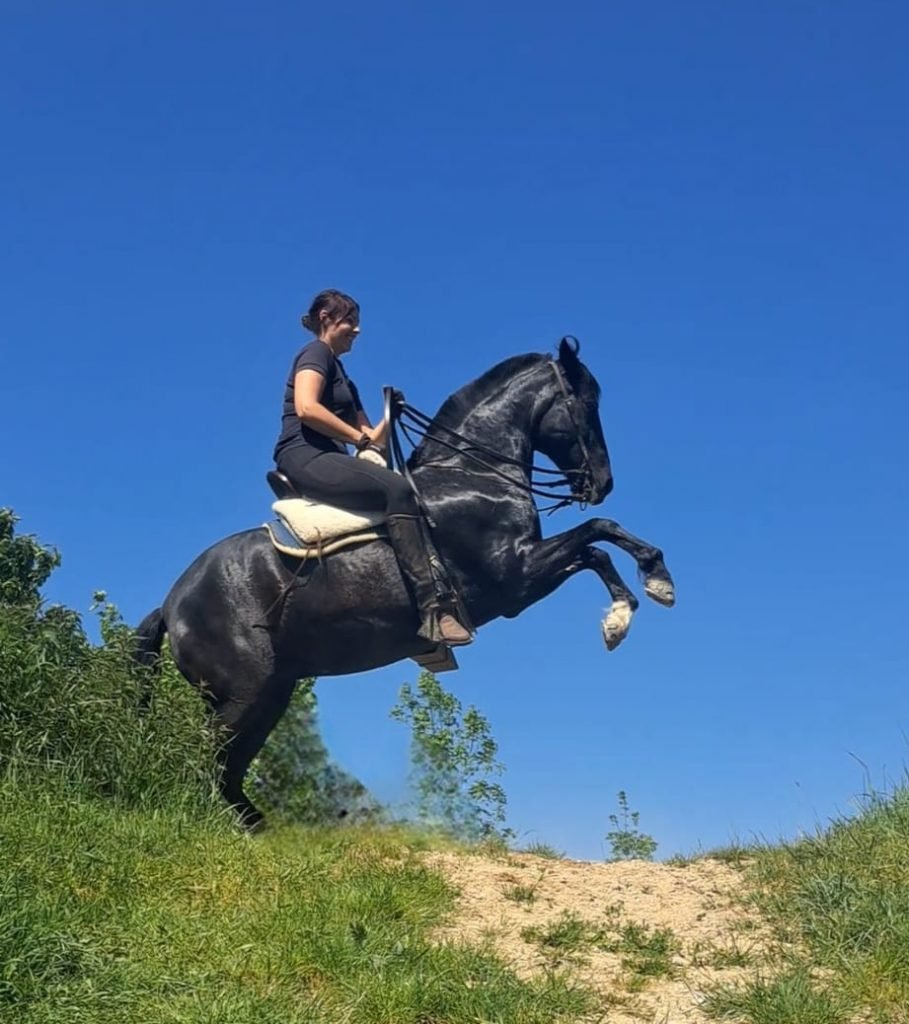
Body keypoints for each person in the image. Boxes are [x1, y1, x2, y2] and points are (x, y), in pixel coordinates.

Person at [273, 289, 472, 647]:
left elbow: (371, 439)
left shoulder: (344, 378)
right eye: (350, 321)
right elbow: (306, 408)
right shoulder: (315, 353)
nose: (357, 330)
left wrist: (388, 416)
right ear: (325, 319)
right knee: (397, 490)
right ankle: (430, 612)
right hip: (304, 453)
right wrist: (358, 439)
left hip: (331, 456)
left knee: (406, 488)